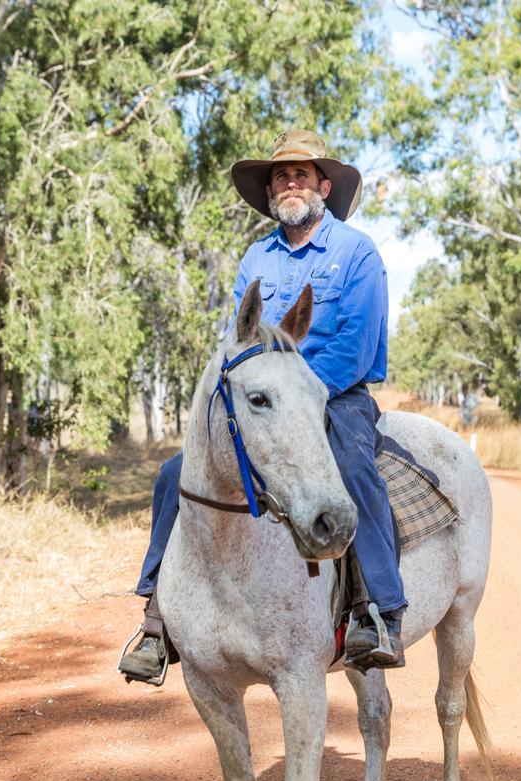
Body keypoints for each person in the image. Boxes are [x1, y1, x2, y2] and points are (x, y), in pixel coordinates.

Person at [119, 129, 406, 683]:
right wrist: (259, 396)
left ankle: (378, 609)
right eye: (280, 176)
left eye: (300, 174)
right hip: (263, 401)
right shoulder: (257, 257)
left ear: (324, 185)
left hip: (336, 394)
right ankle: (157, 619)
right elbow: (239, 338)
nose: (290, 183)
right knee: (176, 474)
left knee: (351, 466)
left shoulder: (356, 252)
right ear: (271, 192)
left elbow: (358, 344)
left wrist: (299, 395)